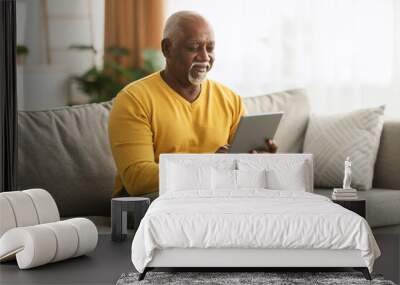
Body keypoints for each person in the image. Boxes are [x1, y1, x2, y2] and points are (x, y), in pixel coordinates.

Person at [108, 11, 277, 198]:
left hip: (216, 197)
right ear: (167, 49)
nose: (205, 57)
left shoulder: (230, 99)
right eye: (193, 47)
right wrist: (211, 165)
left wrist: (258, 162)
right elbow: (137, 180)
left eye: (210, 48)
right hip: (154, 202)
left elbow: (236, 169)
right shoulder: (134, 99)